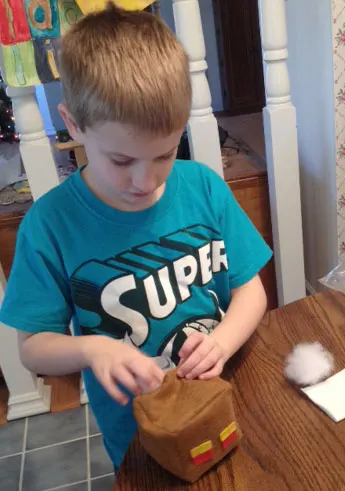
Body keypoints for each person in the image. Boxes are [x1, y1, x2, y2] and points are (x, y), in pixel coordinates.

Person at [0, 4, 271, 471]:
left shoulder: (203, 185)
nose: (145, 181)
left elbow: (251, 289)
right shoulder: (49, 225)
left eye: (165, 154)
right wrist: (92, 348)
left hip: (227, 394)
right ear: (74, 124)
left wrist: (224, 341)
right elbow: (32, 347)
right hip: (141, 434)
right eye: (122, 161)